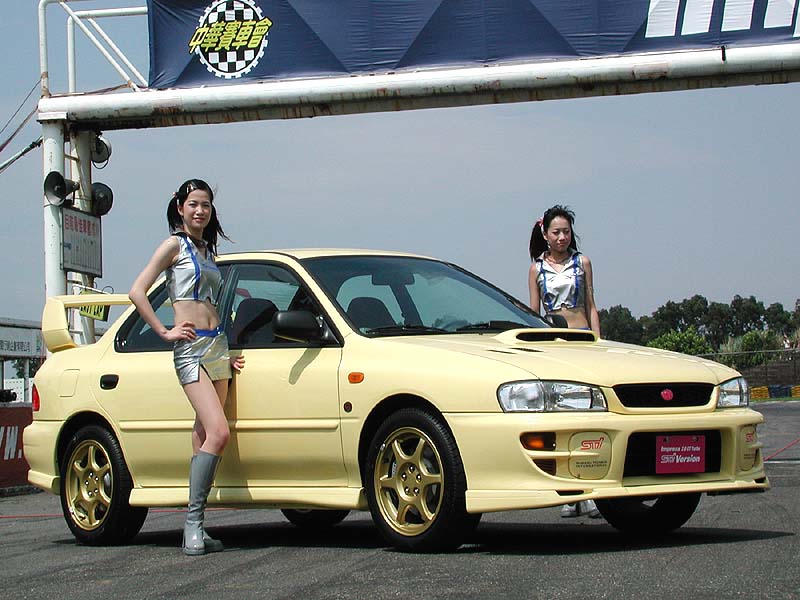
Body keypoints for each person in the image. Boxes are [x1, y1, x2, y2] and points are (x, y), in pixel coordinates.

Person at [129, 179, 245, 555]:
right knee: (219, 432)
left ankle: (197, 526)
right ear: (180, 207)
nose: (200, 211)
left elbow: (212, 303)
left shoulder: (207, 250)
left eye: (206, 205)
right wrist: (165, 331)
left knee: (202, 434)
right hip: (190, 349)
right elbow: (137, 291)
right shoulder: (173, 246)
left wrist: (226, 352)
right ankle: (192, 523)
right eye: (193, 204)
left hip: (217, 347)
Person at [528, 205, 601, 519]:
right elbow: (533, 313)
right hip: (553, 344)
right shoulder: (536, 269)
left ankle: (593, 491)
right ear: (545, 234)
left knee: (591, 415)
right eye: (556, 232)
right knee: (563, 416)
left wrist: (597, 341)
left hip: (581, 339)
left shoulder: (582, 263)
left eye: (566, 232)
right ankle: (569, 493)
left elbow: (591, 304)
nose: (561, 237)